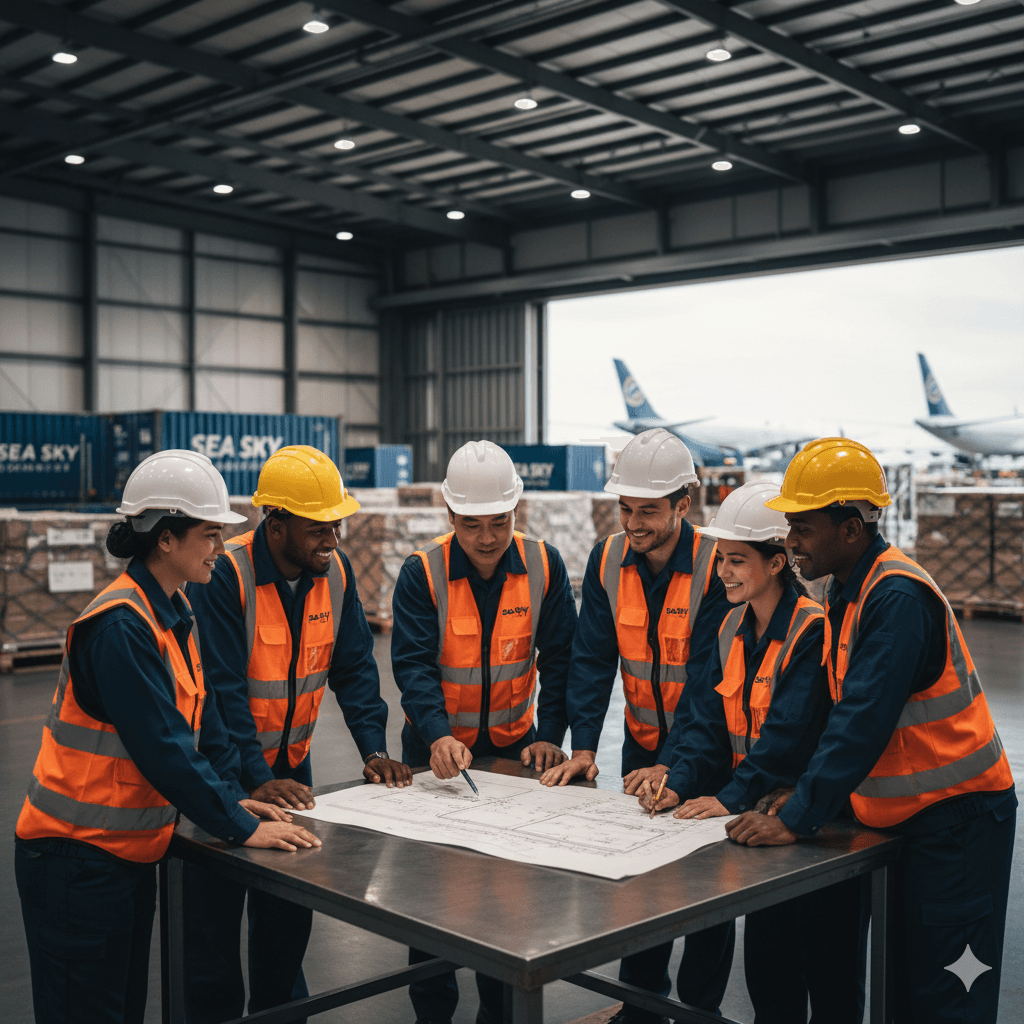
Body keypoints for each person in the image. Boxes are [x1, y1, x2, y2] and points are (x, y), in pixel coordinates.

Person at [15, 450, 320, 1024]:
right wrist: (242, 827)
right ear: (164, 539)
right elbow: (164, 750)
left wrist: (235, 798)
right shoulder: (121, 627)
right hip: (74, 861)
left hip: (122, 856)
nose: (220, 548)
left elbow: (200, 729)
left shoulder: (174, 612)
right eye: (209, 535)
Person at [726, 438, 1016, 1024]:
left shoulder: (897, 598)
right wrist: (805, 793)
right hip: (912, 819)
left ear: (852, 528)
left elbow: (862, 721)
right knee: (906, 988)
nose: (790, 542)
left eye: (803, 528)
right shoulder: (850, 593)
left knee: (947, 1000)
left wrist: (796, 817)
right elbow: (841, 716)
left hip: (958, 823)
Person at [182, 444, 410, 1024]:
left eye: (337, 524)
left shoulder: (332, 576)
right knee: (212, 927)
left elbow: (355, 668)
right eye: (317, 528)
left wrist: (374, 748)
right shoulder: (224, 576)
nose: (331, 538)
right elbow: (224, 690)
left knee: (286, 918)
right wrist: (256, 780)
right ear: (274, 523)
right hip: (223, 773)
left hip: (292, 770)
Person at [634, 481, 865, 1023]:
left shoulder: (813, 630)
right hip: (760, 825)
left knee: (829, 979)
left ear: (777, 562)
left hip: (811, 827)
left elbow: (786, 739)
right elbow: (705, 726)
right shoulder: (729, 626)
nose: (724, 573)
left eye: (737, 561)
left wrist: (729, 798)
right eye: (720, 561)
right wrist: (680, 782)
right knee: (770, 976)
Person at [540, 427, 734, 1022]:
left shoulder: (714, 566)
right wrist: (585, 747)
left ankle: (699, 1011)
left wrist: (676, 766)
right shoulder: (607, 559)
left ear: (683, 503)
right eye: (625, 508)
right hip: (641, 750)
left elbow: (709, 684)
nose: (634, 522)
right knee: (642, 887)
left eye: (648, 510)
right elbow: (592, 662)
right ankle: (639, 1011)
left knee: (707, 895)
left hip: (707, 755)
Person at [392, 439, 578, 1024]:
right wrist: (437, 734)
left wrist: (550, 731)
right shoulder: (422, 574)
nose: (488, 538)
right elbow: (414, 666)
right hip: (434, 752)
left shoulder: (544, 565)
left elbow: (565, 659)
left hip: (514, 751)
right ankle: (433, 1012)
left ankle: (498, 1012)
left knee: (506, 896)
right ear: (450, 518)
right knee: (432, 897)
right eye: (472, 525)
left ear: (515, 512)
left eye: (499, 522)